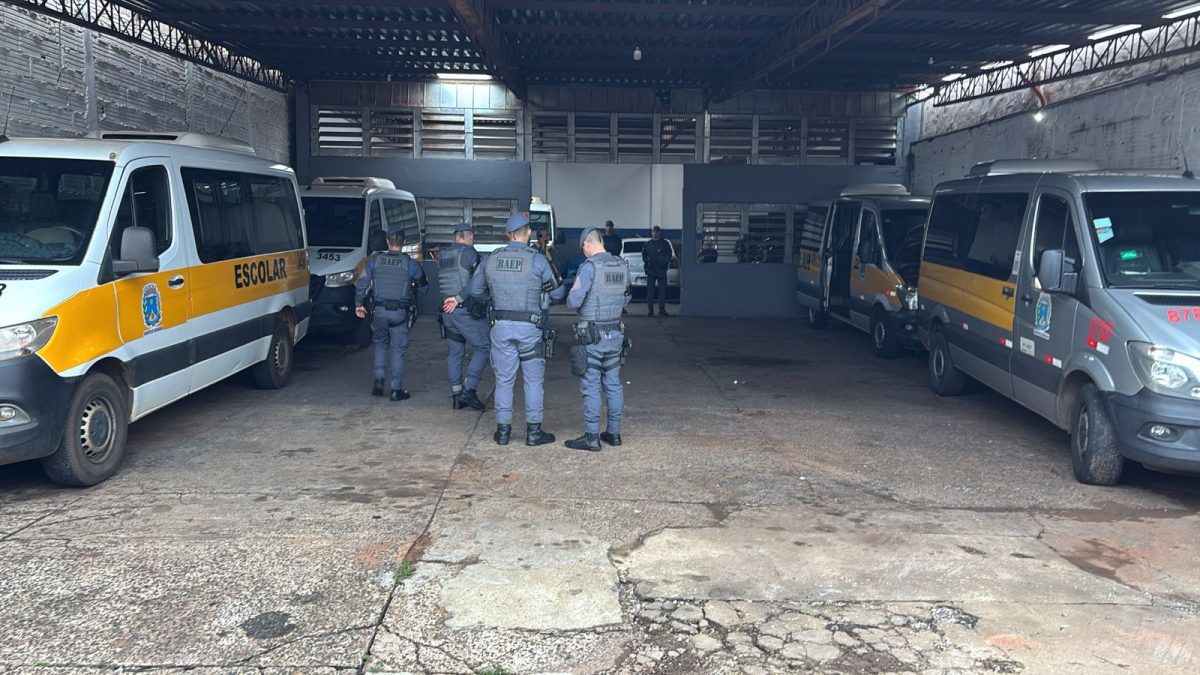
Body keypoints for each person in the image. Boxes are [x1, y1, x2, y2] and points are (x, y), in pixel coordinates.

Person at [446, 213, 565, 446]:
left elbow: (476, 291)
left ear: (508, 235)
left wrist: (494, 298)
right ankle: (534, 433)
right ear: (528, 233)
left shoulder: (492, 259)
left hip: (501, 327)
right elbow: (559, 293)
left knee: (503, 380)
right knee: (533, 381)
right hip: (530, 328)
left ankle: (502, 433)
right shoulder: (538, 260)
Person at [564, 227, 631, 451]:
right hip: (615, 334)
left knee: (591, 385)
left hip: (592, 336)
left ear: (586, 245)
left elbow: (573, 301)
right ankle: (614, 433)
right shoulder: (621, 265)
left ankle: (592, 437)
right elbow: (627, 297)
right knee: (613, 384)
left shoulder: (589, 267)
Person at [355, 226, 428, 401]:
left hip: (379, 313)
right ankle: (396, 389)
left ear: (387, 241)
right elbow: (424, 288)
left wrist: (358, 304)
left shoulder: (374, 261)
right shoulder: (411, 264)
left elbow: (362, 283)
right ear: (404, 243)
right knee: (398, 350)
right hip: (400, 314)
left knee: (380, 344)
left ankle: (379, 383)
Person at [438, 222, 489, 411]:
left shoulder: (442, 254)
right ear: (469, 236)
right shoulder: (469, 253)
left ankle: (457, 396)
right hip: (465, 311)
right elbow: (477, 283)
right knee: (484, 345)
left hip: (447, 312)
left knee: (455, 353)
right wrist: (459, 299)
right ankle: (469, 389)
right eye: (472, 237)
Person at [641, 225, 672, 317]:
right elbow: (644, 255)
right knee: (650, 291)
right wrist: (648, 263)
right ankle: (650, 310)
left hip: (662, 270)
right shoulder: (648, 244)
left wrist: (665, 262)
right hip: (651, 271)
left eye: (657, 231)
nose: (656, 233)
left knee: (662, 291)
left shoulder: (665, 243)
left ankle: (662, 309)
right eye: (654, 231)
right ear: (652, 233)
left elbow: (669, 254)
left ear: (660, 233)